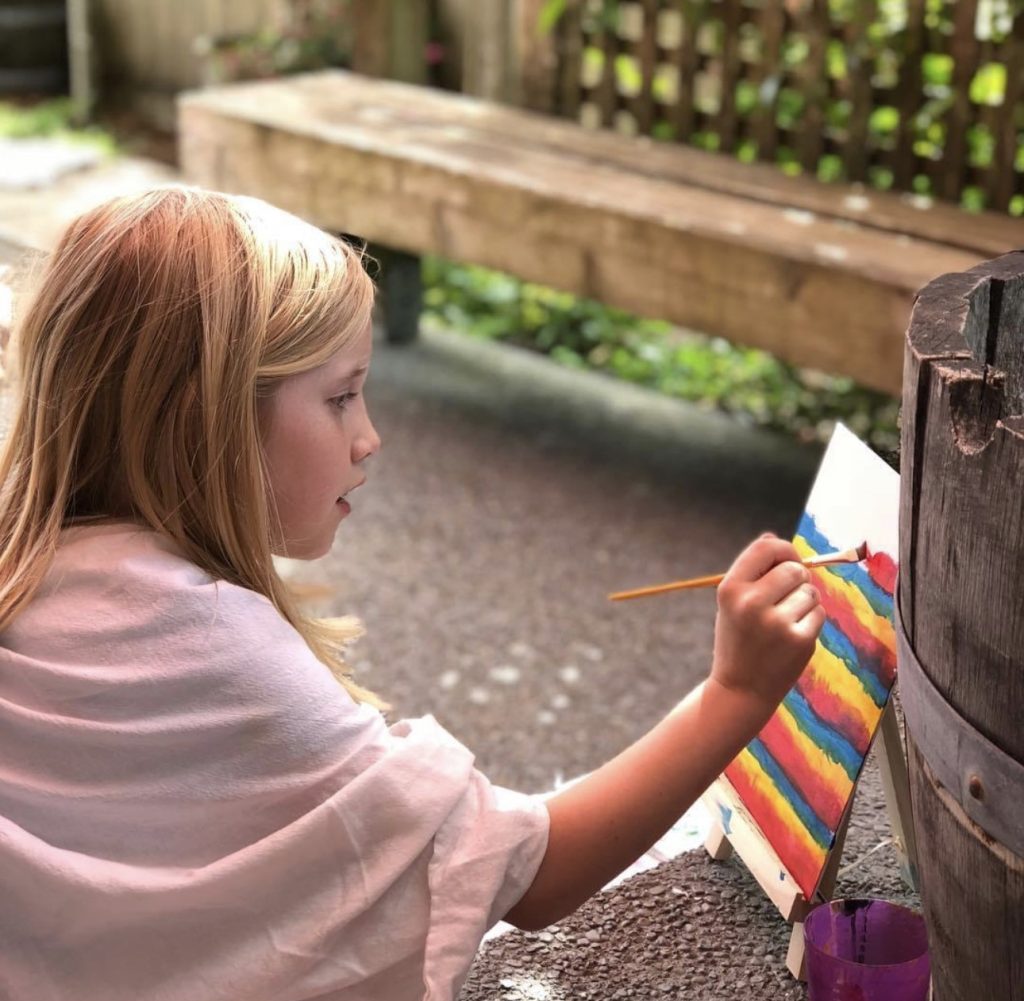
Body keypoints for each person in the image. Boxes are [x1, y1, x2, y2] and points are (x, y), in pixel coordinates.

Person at [0, 188, 824, 1001]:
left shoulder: (34, 573)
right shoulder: (207, 643)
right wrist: (737, 690)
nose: (369, 436)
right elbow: (526, 871)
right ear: (204, 421)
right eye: (338, 396)